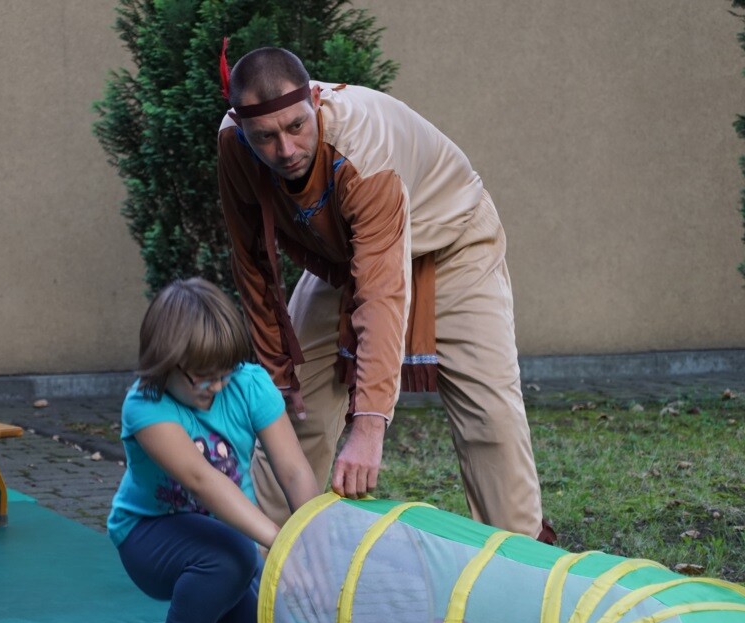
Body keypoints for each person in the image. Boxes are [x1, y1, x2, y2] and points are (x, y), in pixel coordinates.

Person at [217, 46, 555, 544]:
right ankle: (263, 567)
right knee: (292, 410)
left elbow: (382, 292)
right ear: (242, 129)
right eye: (265, 137)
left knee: (490, 423)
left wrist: (370, 424)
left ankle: (524, 570)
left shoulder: (362, 148)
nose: (285, 150)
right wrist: (277, 372)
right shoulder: (233, 148)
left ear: (315, 101)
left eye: (296, 127)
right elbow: (253, 263)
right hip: (346, 262)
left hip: (452, 242)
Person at [110, 278, 319, 623]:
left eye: (225, 371)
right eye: (204, 375)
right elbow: (202, 480)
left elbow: (292, 470)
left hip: (225, 539)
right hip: (148, 534)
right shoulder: (145, 404)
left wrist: (312, 545)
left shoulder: (247, 383)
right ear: (166, 363)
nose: (219, 384)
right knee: (232, 556)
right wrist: (279, 543)